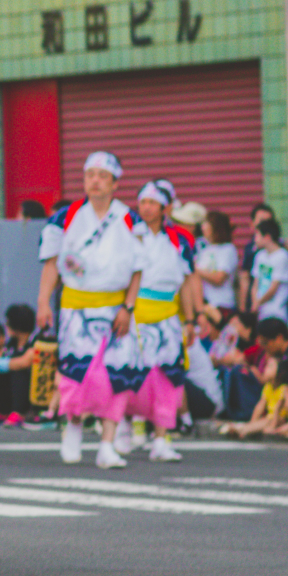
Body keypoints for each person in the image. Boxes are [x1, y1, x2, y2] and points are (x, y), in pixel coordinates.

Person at [37, 152, 142, 469]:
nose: (95, 180)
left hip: (115, 308)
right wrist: (43, 302)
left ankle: (108, 444)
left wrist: (128, 306)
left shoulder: (129, 219)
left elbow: (138, 269)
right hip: (76, 307)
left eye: (102, 175)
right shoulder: (65, 217)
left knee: (115, 373)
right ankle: (74, 427)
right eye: (90, 174)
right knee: (75, 373)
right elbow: (52, 264)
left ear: (114, 182)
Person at [121, 180, 198, 463]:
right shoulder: (129, 234)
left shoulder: (179, 240)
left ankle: (162, 437)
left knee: (168, 376)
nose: (146, 208)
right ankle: (129, 426)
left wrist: (190, 320)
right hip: (136, 312)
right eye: (142, 202)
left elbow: (188, 282)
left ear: (165, 207)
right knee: (132, 372)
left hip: (167, 314)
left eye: (152, 203)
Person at [247, 218, 288, 322]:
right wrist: (255, 301)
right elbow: (255, 284)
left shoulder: (282, 256)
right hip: (260, 311)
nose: (255, 239)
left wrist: (258, 302)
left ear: (267, 237)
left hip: (276, 311)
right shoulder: (259, 256)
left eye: (257, 235)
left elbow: (274, 287)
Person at [194, 210, 238, 316]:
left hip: (222, 305)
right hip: (206, 306)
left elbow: (219, 278)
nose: (202, 227)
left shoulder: (228, 249)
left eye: (206, 223)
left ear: (215, 227)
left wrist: (196, 270)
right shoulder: (205, 250)